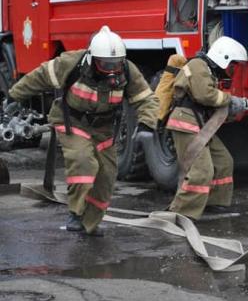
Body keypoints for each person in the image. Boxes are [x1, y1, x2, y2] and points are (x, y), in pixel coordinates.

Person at [6, 25, 159, 236]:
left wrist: (146, 124)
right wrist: (15, 96)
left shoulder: (127, 70)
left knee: (106, 176)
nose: (112, 70)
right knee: (83, 161)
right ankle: (76, 213)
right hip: (73, 122)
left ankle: (89, 223)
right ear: (92, 58)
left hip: (104, 129)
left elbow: (146, 99)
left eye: (116, 63)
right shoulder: (71, 63)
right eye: (106, 64)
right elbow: (40, 76)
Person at [166, 36, 248, 221]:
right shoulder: (197, 65)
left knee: (224, 162)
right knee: (201, 171)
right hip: (186, 122)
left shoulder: (207, 70)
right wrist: (230, 100)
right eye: (233, 65)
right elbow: (205, 95)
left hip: (200, 123)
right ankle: (182, 213)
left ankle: (215, 203)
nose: (233, 70)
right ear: (224, 57)